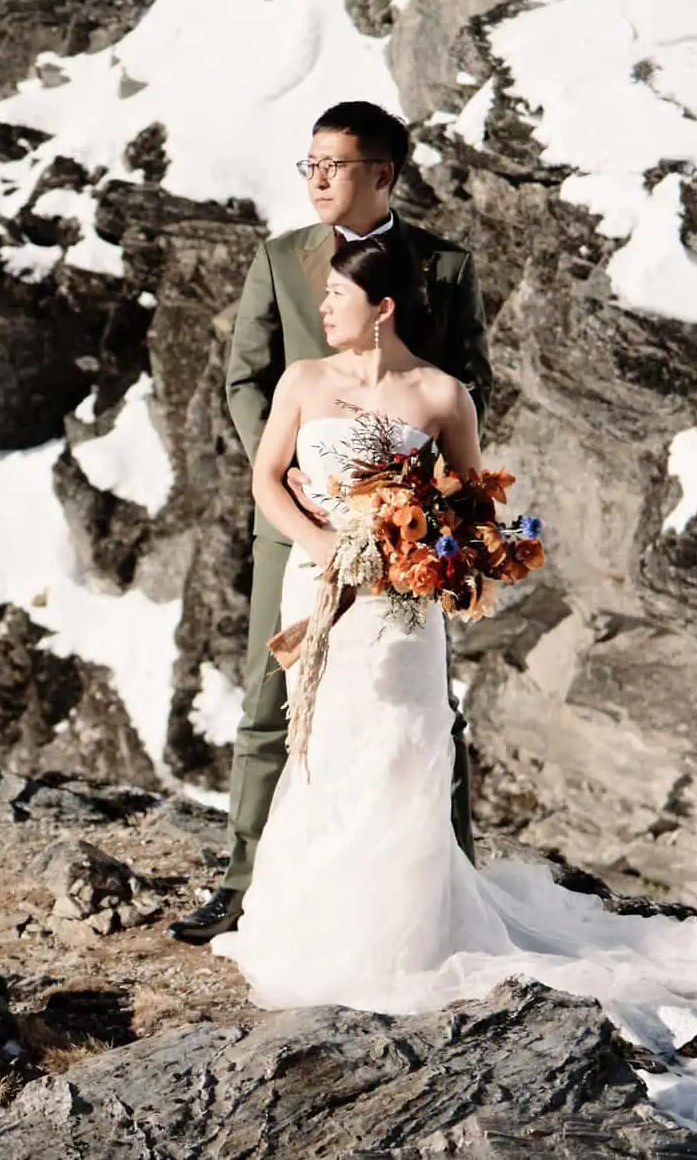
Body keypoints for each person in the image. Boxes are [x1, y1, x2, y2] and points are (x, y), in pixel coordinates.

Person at [205, 237, 697, 1040]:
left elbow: (471, 511)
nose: (323, 307)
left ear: (384, 308)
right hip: (320, 586)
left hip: (401, 610)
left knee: (399, 743)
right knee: (323, 745)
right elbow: (266, 478)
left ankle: (402, 933)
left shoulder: (443, 397)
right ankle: (315, 921)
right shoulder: (302, 381)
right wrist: (330, 543)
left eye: (337, 294)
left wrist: (420, 542)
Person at [171, 100, 489, 946]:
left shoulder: (448, 267)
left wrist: (418, 501)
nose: (315, 178)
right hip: (298, 525)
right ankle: (241, 881)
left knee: (416, 706)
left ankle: (447, 885)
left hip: (408, 540)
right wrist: (302, 480)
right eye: (306, 163)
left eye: (332, 163)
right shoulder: (280, 260)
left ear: (381, 172)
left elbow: (469, 386)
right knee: (275, 696)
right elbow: (245, 379)